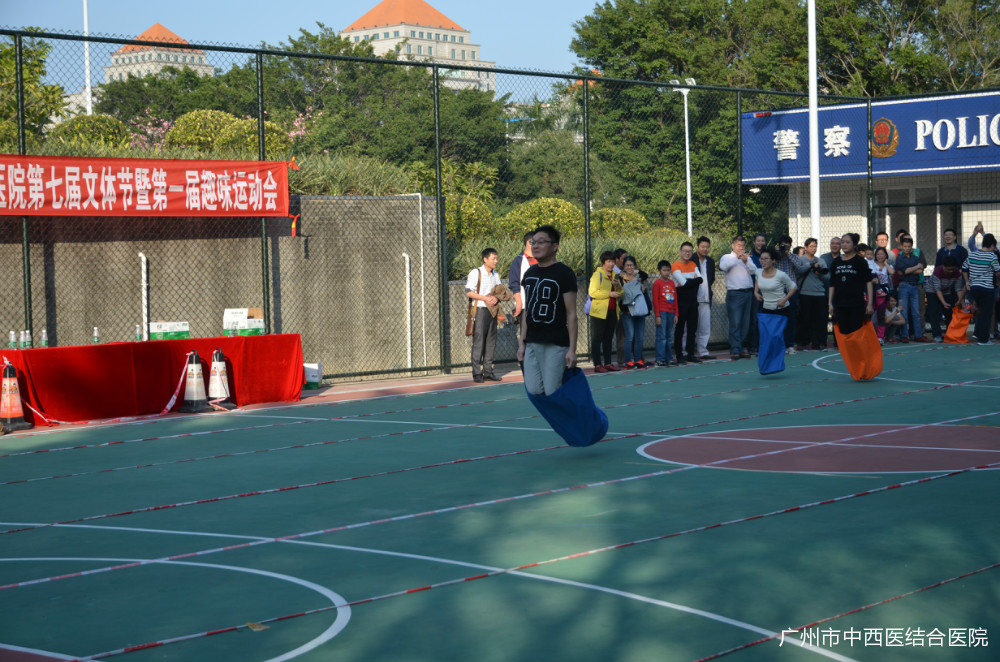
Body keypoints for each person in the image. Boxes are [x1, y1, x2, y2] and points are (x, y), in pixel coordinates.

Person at [517, 225, 578, 395]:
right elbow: (527, 310)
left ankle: (570, 419)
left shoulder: (564, 273)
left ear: (554, 246)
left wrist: (572, 350)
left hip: (555, 342)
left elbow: (572, 314)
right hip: (532, 341)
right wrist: (522, 343)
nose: (535, 246)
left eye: (541, 242)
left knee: (553, 391)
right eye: (533, 242)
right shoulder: (529, 274)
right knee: (534, 389)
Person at [465, 247, 502, 382]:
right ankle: (476, 373)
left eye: (497, 258)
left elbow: (499, 291)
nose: (496, 261)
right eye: (493, 258)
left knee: (491, 341)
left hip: (493, 310)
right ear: (485, 259)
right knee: (479, 342)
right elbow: (468, 291)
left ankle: (488, 371)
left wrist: (496, 298)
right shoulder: (476, 273)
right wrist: (486, 298)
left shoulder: (495, 274)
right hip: (480, 310)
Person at [828, 232, 874, 336]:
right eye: (842, 242)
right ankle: (847, 353)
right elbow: (832, 284)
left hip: (856, 303)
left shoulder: (860, 261)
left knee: (856, 333)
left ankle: (858, 353)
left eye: (848, 242)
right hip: (840, 303)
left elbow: (868, 282)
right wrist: (830, 303)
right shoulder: (836, 262)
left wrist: (870, 304)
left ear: (854, 245)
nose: (844, 244)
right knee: (844, 333)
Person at [718, 235, 755, 360]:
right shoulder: (727, 257)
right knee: (735, 322)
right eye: (739, 246)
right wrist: (737, 258)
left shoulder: (747, 258)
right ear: (733, 245)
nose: (741, 248)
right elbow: (723, 267)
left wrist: (745, 261)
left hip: (748, 292)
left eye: (743, 246)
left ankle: (740, 348)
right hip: (735, 293)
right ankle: (734, 349)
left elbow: (754, 271)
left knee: (745, 323)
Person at [962, 231, 1000, 345]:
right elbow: (998, 272)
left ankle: (977, 334)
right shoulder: (992, 256)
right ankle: (983, 339)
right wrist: (998, 281)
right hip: (987, 288)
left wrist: (967, 281)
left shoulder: (972, 254)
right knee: (986, 314)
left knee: (978, 311)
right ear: (992, 245)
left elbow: (964, 268)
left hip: (974, 288)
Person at [773, 235, 810, 351]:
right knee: (778, 317)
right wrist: (777, 253)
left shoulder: (793, 256)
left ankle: (789, 344)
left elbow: (799, 268)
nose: (784, 246)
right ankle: (779, 344)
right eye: (782, 244)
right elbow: (769, 266)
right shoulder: (775, 256)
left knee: (791, 317)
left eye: (787, 244)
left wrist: (788, 254)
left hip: (791, 291)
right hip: (777, 290)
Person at [588, 250, 623, 372]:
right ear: (603, 262)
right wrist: (609, 293)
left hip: (613, 311)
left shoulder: (614, 275)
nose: (611, 264)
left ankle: (608, 363)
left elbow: (621, 293)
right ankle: (597, 364)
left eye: (613, 261)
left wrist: (618, 286)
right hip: (599, 311)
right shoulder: (598, 275)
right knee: (597, 337)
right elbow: (593, 292)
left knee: (608, 338)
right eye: (609, 261)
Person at [793, 238, 829, 351]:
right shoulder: (800, 259)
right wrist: (809, 266)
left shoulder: (821, 260)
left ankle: (819, 343)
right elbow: (796, 273)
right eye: (811, 246)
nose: (814, 248)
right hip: (805, 292)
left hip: (819, 293)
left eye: (815, 246)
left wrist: (819, 273)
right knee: (805, 319)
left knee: (820, 319)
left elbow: (827, 276)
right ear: (806, 247)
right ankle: (804, 342)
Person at [616, 255, 651, 369]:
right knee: (629, 337)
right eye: (627, 265)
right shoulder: (620, 278)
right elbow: (620, 295)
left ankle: (638, 360)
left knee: (639, 337)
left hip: (639, 310)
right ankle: (628, 361)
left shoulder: (639, 276)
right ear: (624, 266)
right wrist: (625, 275)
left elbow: (645, 274)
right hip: (627, 312)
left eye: (631, 265)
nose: (629, 267)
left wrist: (635, 275)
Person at [672, 241, 703, 364]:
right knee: (679, 329)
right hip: (680, 302)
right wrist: (690, 282)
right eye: (685, 251)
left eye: (689, 251)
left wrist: (686, 283)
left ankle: (691, 354)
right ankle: (679, 355)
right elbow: (683, 283)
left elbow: (700, 279)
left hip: (693, 302)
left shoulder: (693, 264)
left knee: (692, 329)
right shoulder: (675, 266)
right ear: (680, 252)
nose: (687, 253)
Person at [894, 235, 929, 342]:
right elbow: (903, 271)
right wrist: (915, 268)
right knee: (903, 311)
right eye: (905, 246)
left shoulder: (916, 257)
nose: (907, 248)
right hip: (903, 286)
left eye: (909, 246)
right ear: (902, 246)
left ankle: (918, 335)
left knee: (916, 312)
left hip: (914, 286)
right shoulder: (899, 258)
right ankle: (905, 335)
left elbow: (920, 271)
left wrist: (909, 270)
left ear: (911, 247)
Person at [925, 256, 966, 343]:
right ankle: (937, 335)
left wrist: (961, 301)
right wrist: (943, 302)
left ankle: (949, 334)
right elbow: (937, 290)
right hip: (932, 291)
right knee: (934, 312)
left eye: (952, 269)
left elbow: (958, 289)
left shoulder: (957, 273)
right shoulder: (938, 271)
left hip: (945, 291)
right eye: (948, 269)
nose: (950, 271)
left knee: (949, 311)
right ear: (944, 267)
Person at [754, 248, 797, 325]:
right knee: (767, 334)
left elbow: (794, 287)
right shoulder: (758, 272)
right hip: (765, 308)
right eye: (761, 258)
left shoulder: (781, 275)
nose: (763, 261)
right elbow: (757, 280)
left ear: (773, 260)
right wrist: (755, 292)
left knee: (778, 335)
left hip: (780, 308)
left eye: (766, 258)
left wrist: (784, 300)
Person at [690, 236, 715, 359]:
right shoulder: (691, 259)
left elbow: (712, 278)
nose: (705, 249)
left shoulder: (711, 261)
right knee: (689, 327)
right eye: (702, 247)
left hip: (706, 298)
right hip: (693, 299)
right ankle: (685, 352)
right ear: (698, 247)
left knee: (705, 327)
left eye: (707, 247)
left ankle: (703, 351)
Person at [744, 233, 767, 355]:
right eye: (758, 240)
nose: (761, 243)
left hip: (768, 291)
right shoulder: (749, 256)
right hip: (754, 291)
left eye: (763, 241)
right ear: (754, 242)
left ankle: (764, 345)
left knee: (766, 320)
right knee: (754, 320)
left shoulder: (768, 255)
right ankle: (752, 347)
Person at [652, 260, 678, 366]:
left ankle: (669, 358)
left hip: (671, 312)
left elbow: (675, 299)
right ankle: (660, 358)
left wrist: (676, 314)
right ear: (659, 271)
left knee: (669, 336)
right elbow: (655, 300)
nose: (666, 272)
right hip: (662, 312)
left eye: (668, 270)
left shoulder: (672, 282)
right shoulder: (657, 283)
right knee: (661, 336)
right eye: (664, 270)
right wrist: (657, 315)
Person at [508, 231, 537, 321]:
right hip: (525, 304)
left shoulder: (542, 259)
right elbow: (514, 283)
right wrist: (519, 302)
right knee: (526, 333)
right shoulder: (519, 260)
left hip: (541, 304)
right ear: (528, 243)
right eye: (533, 242)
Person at [870, 246, 894, 342]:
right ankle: (869, 335)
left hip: (883, 292)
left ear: (886, 256)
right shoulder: (872, 265)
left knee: (881, 314)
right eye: (878, 254)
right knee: (869, 313)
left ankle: (880, 336)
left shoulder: (888, 266)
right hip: (873, 290)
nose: (880, 256)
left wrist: (885, 264)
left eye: (882, 254)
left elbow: (892, 272)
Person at [613, 248, 628, 365]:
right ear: (616, 259)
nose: (626, 260)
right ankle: (621, 361)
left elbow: (642, 275)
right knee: (621, 335)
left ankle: (637, 358)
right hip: (617, 307)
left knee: (632, 334)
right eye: (623, 258)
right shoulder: (614, 272)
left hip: (628, 306)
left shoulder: (627, 270)